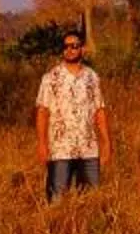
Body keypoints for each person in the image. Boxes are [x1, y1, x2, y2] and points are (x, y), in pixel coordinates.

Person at [33, 29, 107, 199]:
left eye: (74, 46)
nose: (69, 50)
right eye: (65, 46)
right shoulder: (51, 77)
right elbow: (42, 112)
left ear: (82, 49)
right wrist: (42, 144)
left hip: (88, 149)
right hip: (60, 149)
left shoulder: (92, 77)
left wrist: (106, 143)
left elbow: (99, 111)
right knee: (57, 199)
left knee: (91, 200)